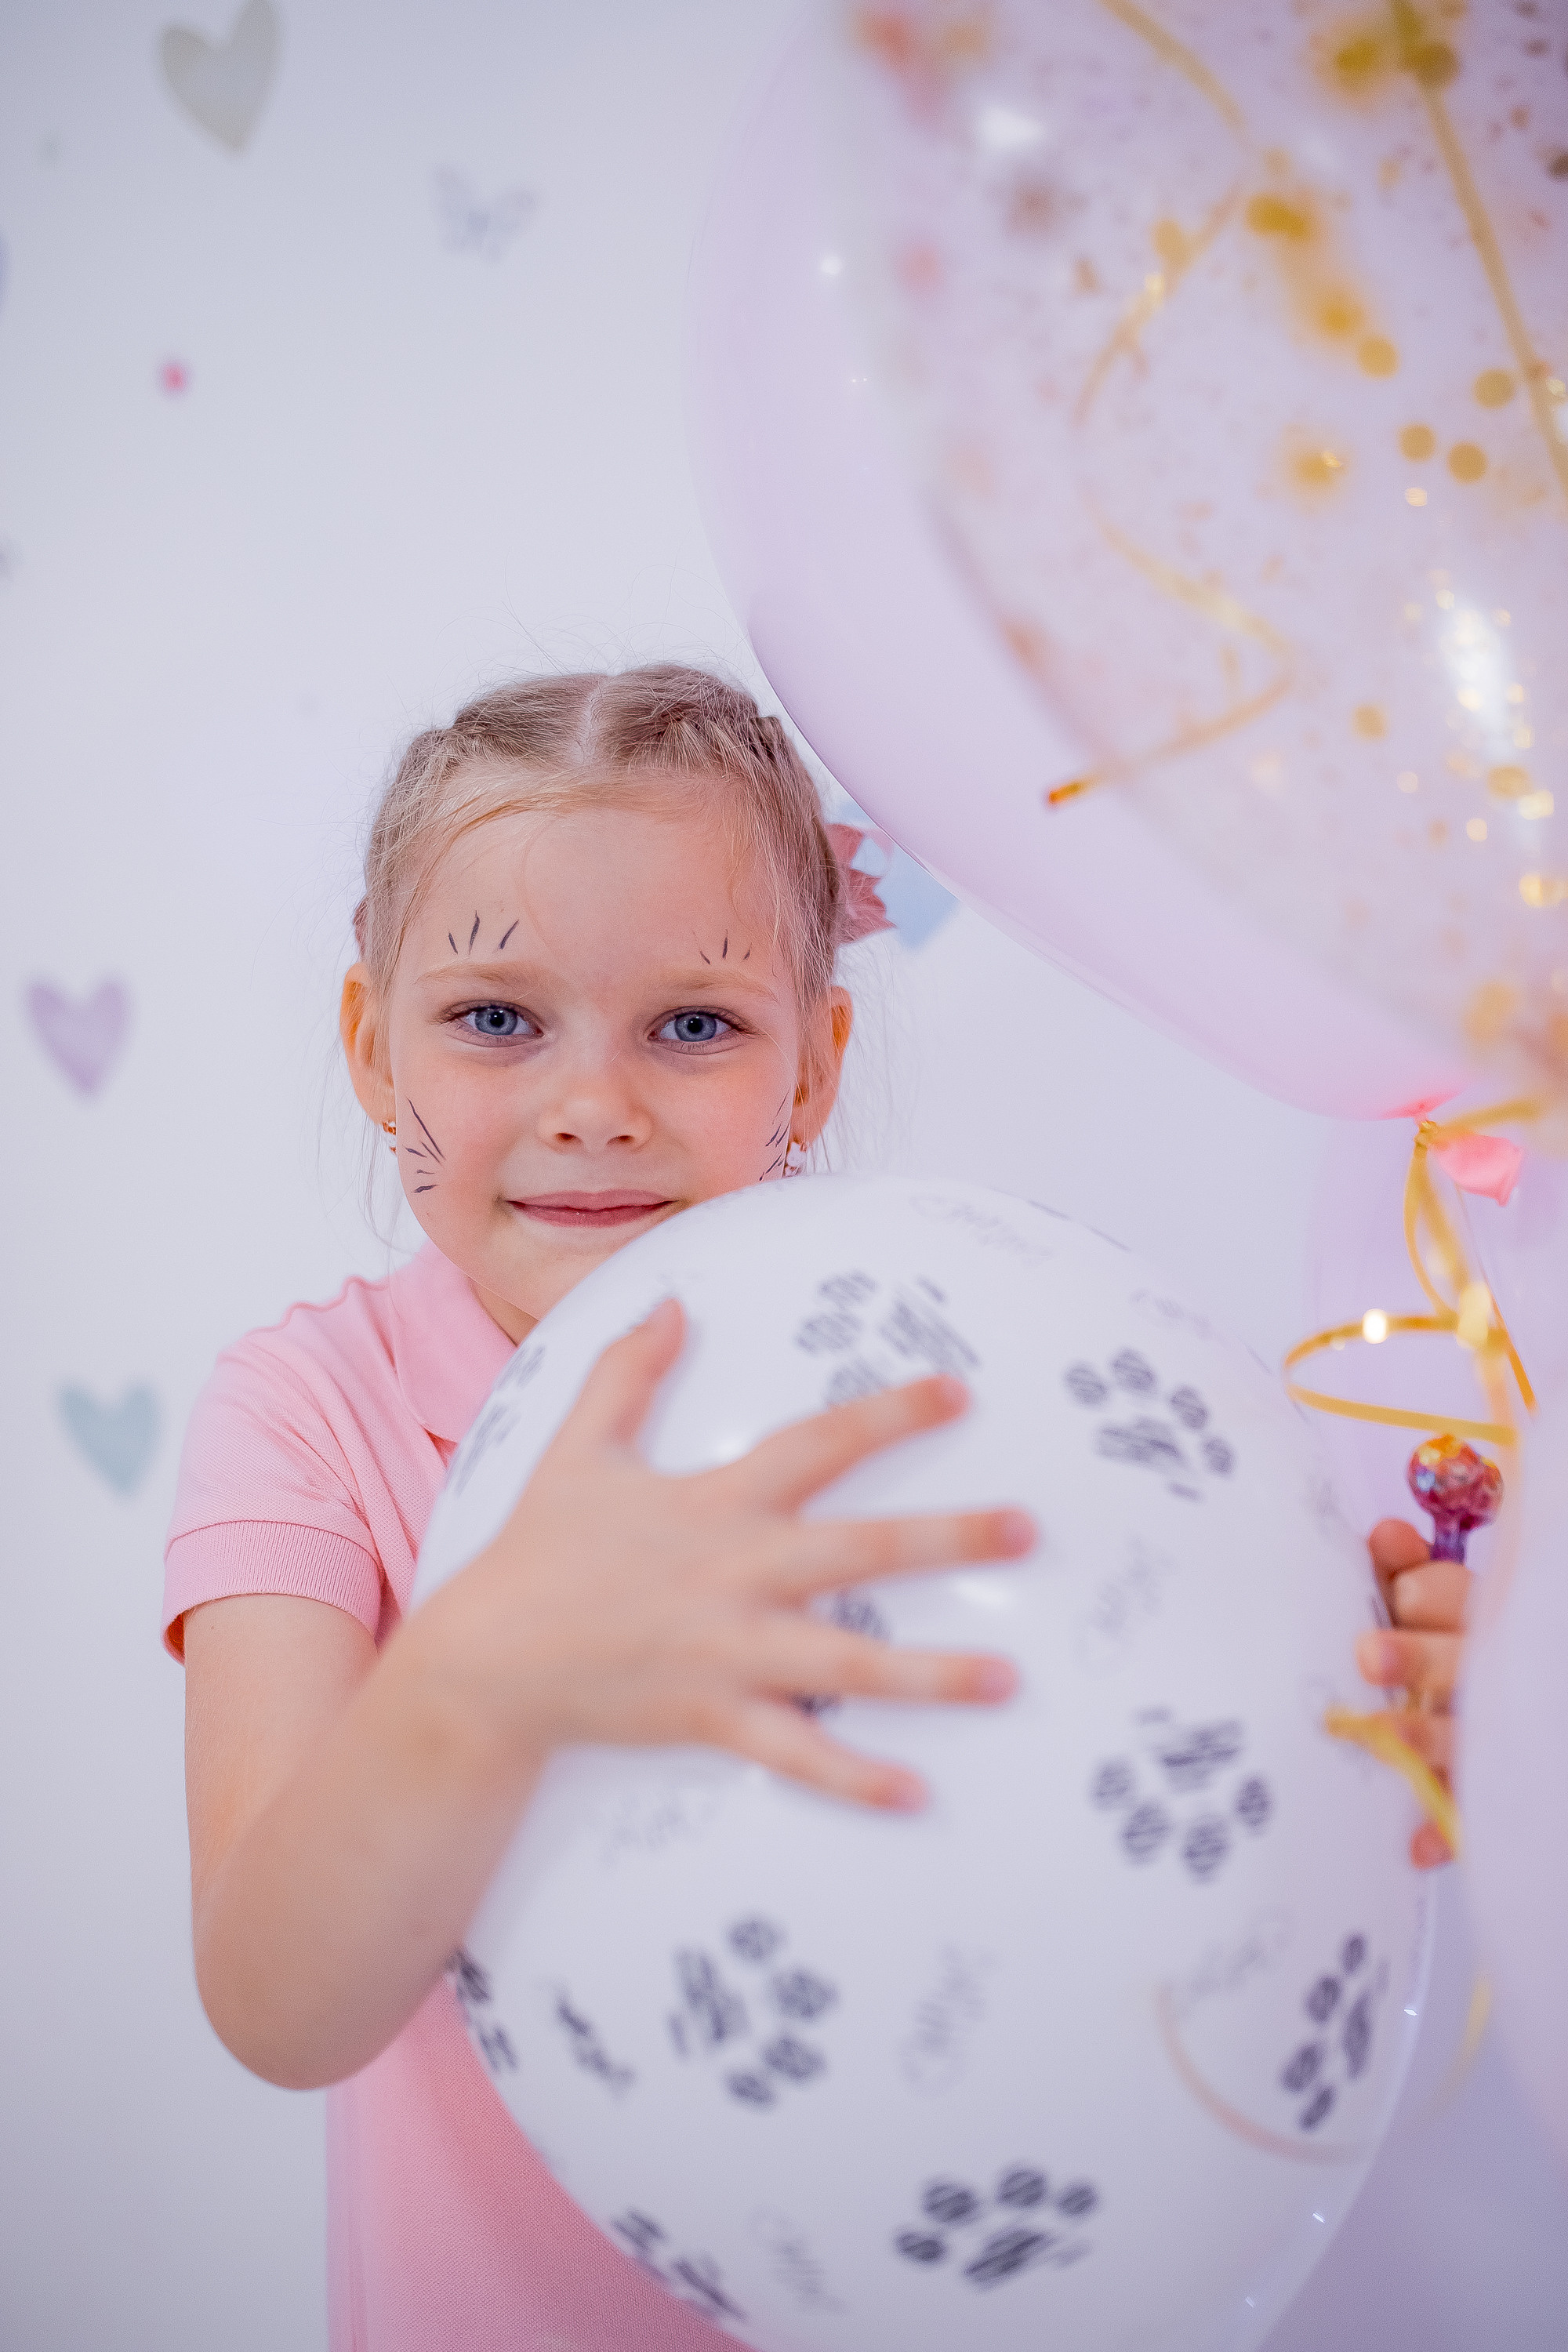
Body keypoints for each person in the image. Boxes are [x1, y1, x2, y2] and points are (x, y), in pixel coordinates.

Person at [165, 665, 1464, 2352]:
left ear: (815, 1064)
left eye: (694, 1025)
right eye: (495, 1017)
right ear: (369, 1041)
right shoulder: (308, 1412)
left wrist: (1357, 1708)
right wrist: (480, 1673)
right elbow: (273, 2002)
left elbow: (1101, 1767)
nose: (592, 1105)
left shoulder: (957, 1369)